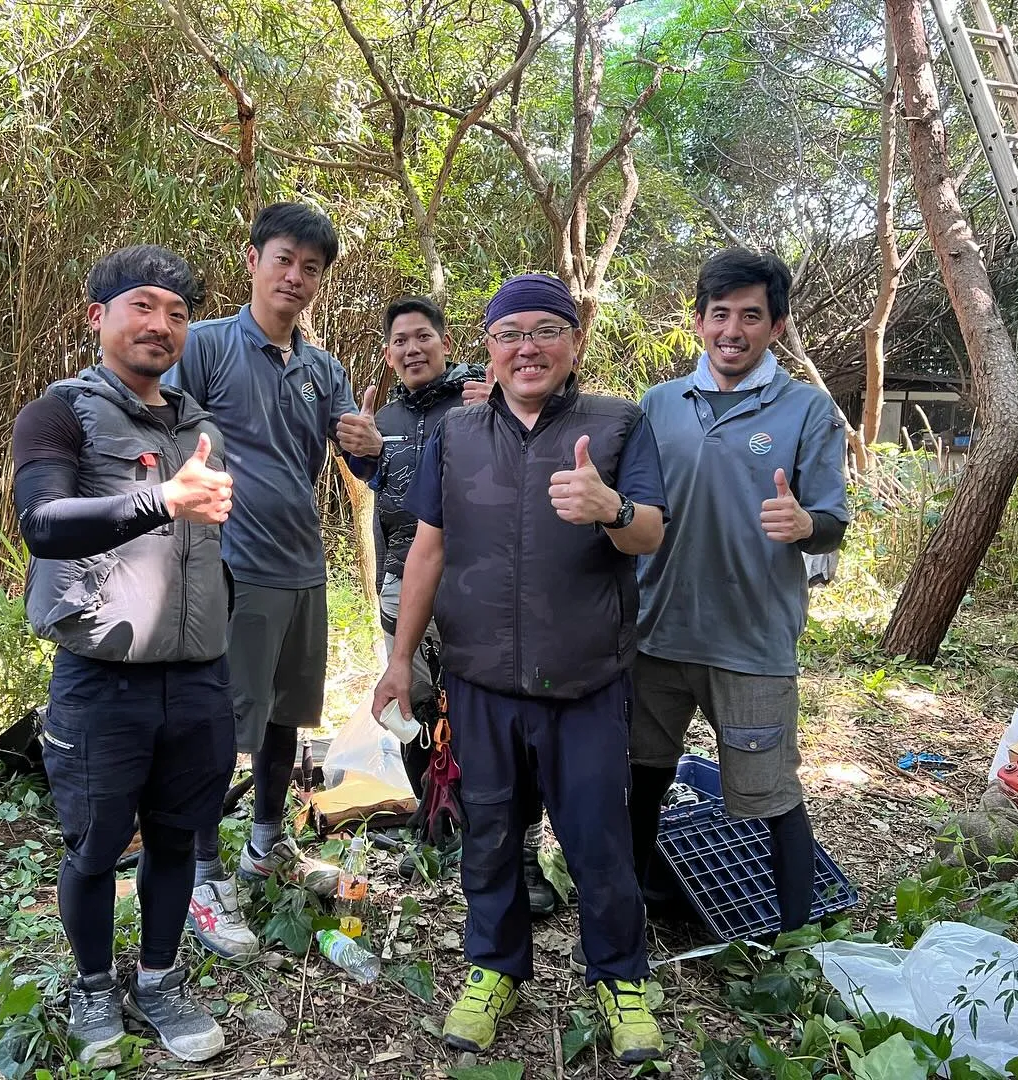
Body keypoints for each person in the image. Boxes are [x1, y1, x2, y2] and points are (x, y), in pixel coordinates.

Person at [373, 274, 670, 1063]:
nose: (526, 346)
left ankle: (618, 978)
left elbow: (650, 533)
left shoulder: (617, 424)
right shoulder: (458, 433)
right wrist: (401, 660)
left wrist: (609, 508)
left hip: (585, 681)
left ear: (574, 342)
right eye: (509, 334)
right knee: (492, 833)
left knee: (599, 840)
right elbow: (428, 548)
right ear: (490, 348)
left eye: (545, 330)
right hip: (479, 680)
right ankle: (495, 967)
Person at [12, 245, 235, 1065]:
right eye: (143, 306)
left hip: (200, 678)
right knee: (97, 849)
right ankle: (93, 988)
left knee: (178, 842)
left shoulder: (197, 425)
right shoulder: (57, 414)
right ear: (96, 316)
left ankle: (162, 982)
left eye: (177, 314)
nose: (162, 325)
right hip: (102, 683)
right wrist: (160, 498)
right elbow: (42, 522)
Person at [164, 203, 382, 960]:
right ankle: (202, 874)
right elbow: (158, 434)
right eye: (284, 259)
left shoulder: (324, 370)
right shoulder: (209, 346)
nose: (296, 277)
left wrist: (368, 444)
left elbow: (362, 461)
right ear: (252, 257)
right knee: (223, 726)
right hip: (234, 566)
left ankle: (265, 845)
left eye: (311, 268)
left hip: (304, 567)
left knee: (288, 716)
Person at [629, 247, 849, 935]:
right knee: (641, 779)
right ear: (697, 322)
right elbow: (627, 508)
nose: (733, 330)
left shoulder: (808, 411)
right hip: (654, 632)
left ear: (776, 326)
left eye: (750, 316)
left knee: (771, 795)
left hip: (751, 639)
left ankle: (793, 938)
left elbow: (833, 520)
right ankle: (632, 908)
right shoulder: (657, 406)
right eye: (718, 314)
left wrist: (805, 522)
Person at [372, 296, 557, 916]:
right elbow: (390, 495)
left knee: (489, 710)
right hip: (403, 577)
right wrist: (362, 453)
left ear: (447, 343)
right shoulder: (387, 416)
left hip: (479, 582)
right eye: (399, 341)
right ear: (389, 353)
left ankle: (518, 845)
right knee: (414, 704)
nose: (411, 349)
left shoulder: (481, 397)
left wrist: (497, 407)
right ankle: (435, 814)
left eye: (422, 336)